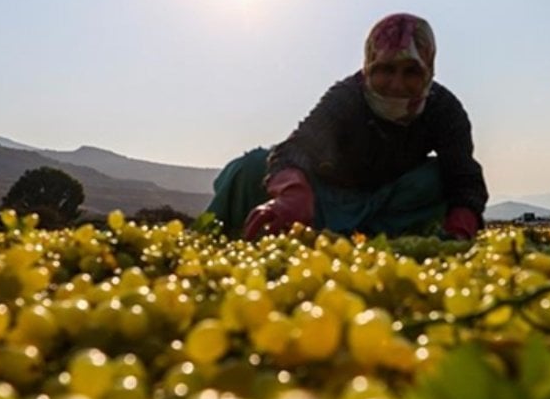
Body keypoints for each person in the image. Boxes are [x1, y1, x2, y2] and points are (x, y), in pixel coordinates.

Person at [207, 13, 489, 240]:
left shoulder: (444, 109)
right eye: (386, 70)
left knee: (437, 178)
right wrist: (294, 194)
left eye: (411, 72)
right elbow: (294, 149)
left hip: (389, 203)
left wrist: (462, 223)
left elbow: (465, 177)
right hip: (326, 197)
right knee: (249, 167)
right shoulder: (347, 97)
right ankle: (222, 234)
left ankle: (373, 235)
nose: (397, 85)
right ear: (368, 67)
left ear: (429, 70)